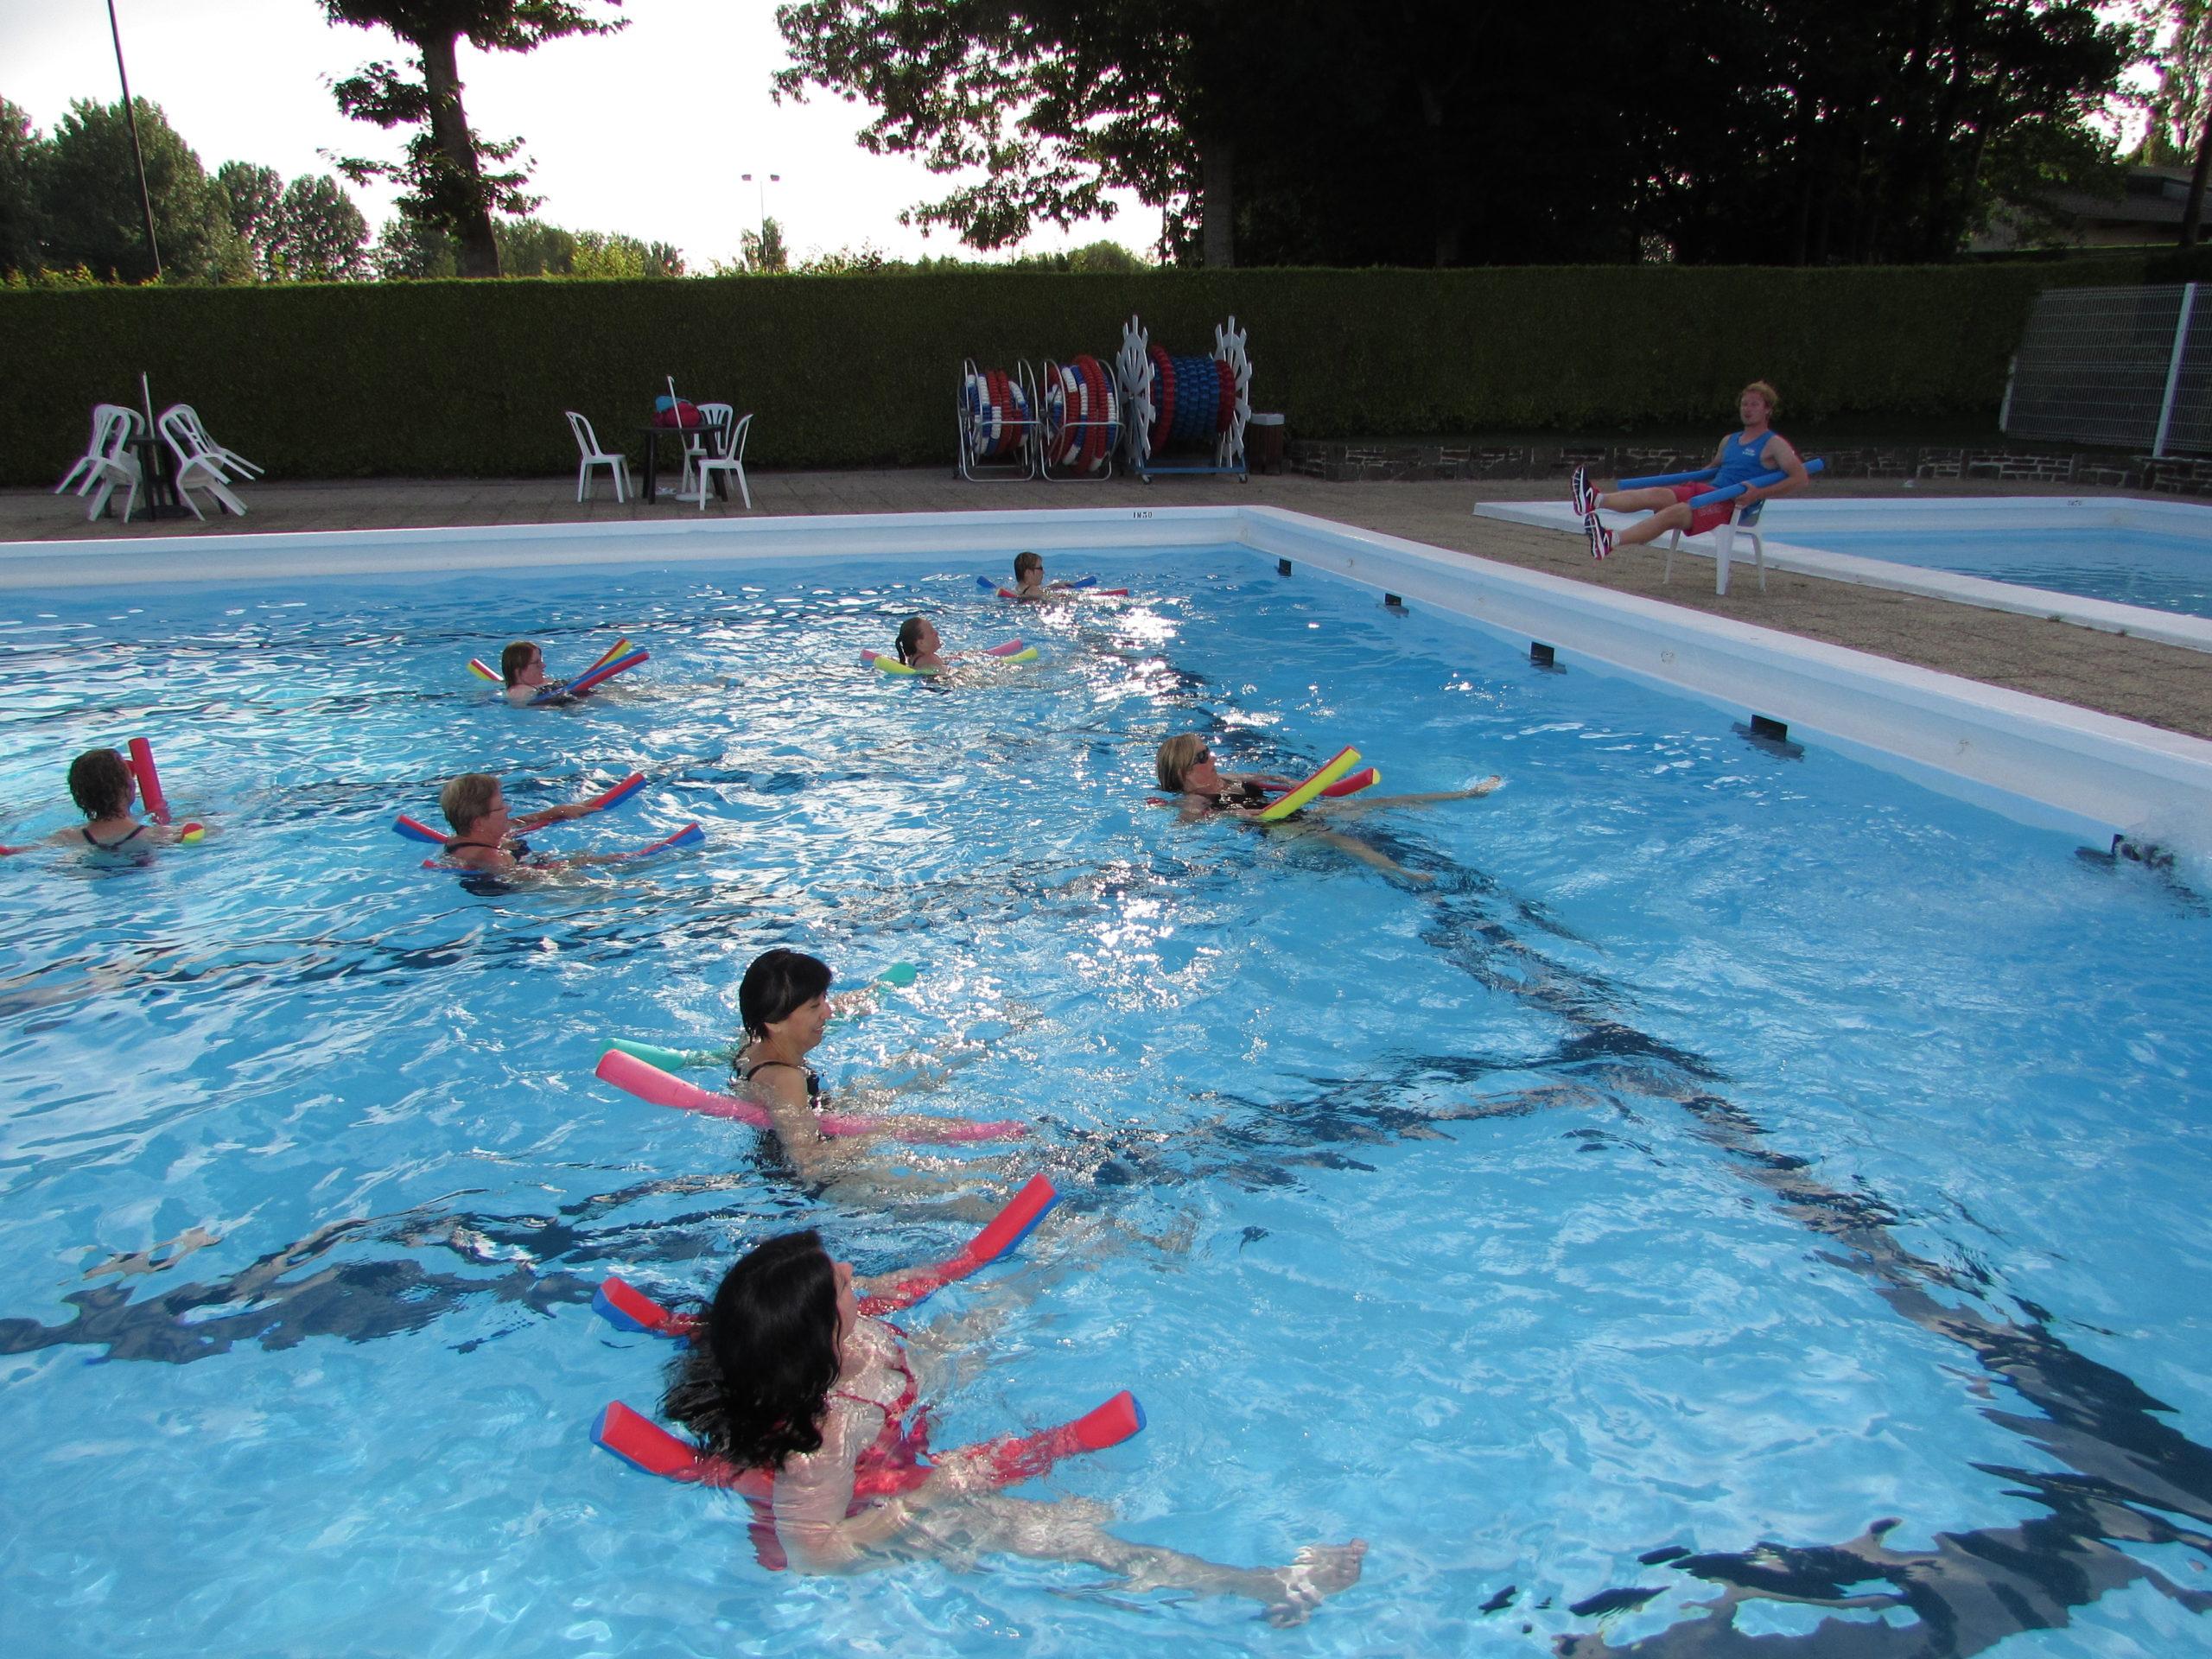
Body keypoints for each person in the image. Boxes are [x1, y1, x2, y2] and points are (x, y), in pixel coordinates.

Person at [659, 1227, 1366, 1622]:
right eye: (840, 1282)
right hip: (892, 1490)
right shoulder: (819, 1444)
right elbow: (815, 1551)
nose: (851, 1269)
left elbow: (925, 1294)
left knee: (987, 1309)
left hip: (903, 1410)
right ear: (822, 1334)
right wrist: (920, 1508)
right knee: (1075, 1537)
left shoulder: (848, 1335)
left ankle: (1090, 1249)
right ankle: (1271, 1586)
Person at [733, 948, 1005, 1181]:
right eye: (816, 1006)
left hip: (819, 1122)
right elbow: (808, 1163)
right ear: (776, 1023)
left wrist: (877, 991)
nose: (827, 1012)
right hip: (822, 1184)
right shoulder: (786, 1079)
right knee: (955, 1185)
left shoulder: (752, 1042)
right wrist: (880, 1132)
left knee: (913, 1069)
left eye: (824, 999)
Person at [1153, 734, 1502, 882]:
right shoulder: (1196, 802)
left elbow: (1266, 778)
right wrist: (1239, 816)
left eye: (1207, 749)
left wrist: (1296, 785)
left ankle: (1467, 795)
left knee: (1383, 803)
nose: (1211, 756)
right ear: (1186, 773)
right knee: (1342, 841)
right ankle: (1402, 874)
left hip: (1290, 808)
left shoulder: (1227, 777)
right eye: (1203, 756)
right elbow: (1186, 829)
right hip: (1276, 827)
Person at [1571, 380, 1811, 561]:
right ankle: (1595, 499)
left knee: (1675, 512)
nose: (1747, 409)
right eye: (1744, 403)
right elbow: (1714, 469)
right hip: (1710, 491)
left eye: (1754, 404)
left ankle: (1610, 541)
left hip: (1732, 504)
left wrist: (1757, 493)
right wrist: (1688, 485)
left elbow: (1800, 478)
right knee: (1657, 494)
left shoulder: (1774, 444)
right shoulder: (1730, 440)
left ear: (1767, 410)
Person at [432, 771, 597, 875]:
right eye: (500, 807)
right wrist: (578, 863)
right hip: (503, 890)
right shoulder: (491, 857)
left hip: (520, 865)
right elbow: (533, 881)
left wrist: (554, 813)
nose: (508, 808)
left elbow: (521, 822)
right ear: (478, 823)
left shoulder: (468, 834)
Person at [47, 747, 200, 851]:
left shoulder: (67, 837)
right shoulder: (155, 835)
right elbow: (202, 833)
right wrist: (186, 821)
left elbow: (26, 851)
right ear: (128, 787)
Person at [499, 641, 565, 706]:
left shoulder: (539, 683)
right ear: (518, 671)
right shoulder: (519, 692)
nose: (543, 665)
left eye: (541, 661)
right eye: (537, 663)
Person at [1008, 550, 1077, 601]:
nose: (1043, 572)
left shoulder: (1018, 588)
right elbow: (1053, 600)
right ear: (1028, 572)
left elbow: (1032, 594)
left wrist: (1053, 586)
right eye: (1040, 568)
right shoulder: (1033, 590)